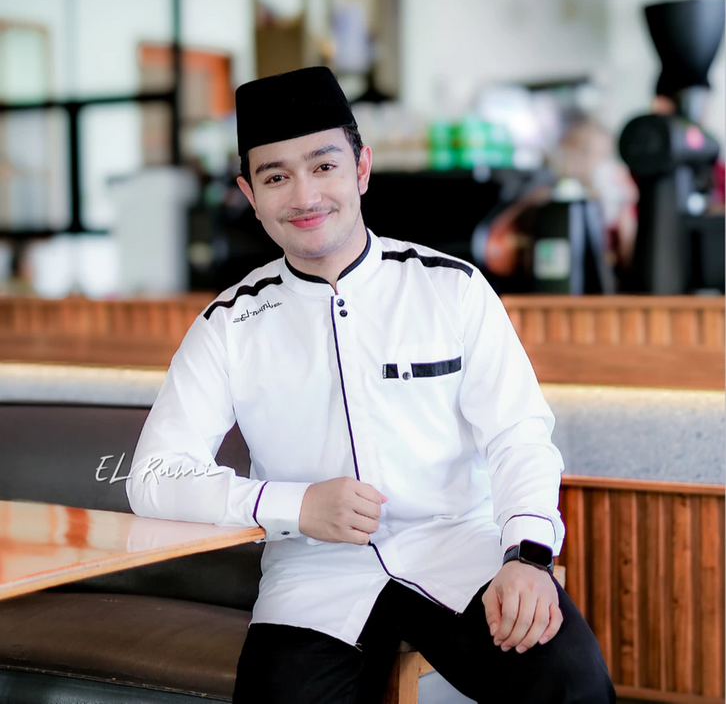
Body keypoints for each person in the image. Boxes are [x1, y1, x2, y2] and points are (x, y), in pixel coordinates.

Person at [126, 66, 615, 704]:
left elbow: (518, 436)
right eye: (276, 177)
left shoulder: (451, 287)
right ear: (250, 194)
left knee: (573, 685)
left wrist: (527, 556)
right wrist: (294, 505)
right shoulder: (228, 324)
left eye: (323, 166)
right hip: (313, 573)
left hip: (458, 551)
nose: (304, 195)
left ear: (361, 169)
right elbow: (153, 477)